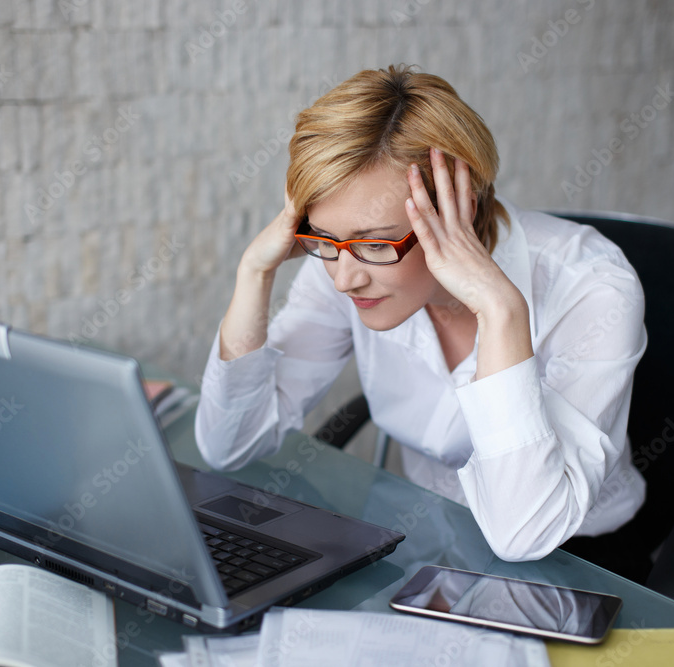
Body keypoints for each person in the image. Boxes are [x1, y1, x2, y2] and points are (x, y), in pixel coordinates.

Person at [195, 64, 646, 563]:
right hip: (428, 537)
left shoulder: (593, 288)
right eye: (324, 237)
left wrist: (501, 314)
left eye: (377, 242)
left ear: (463, 206)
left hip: (584, 560)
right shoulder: (345, 261)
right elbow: (227, 446)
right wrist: (255, 273)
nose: (345, 278)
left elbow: (525, 533)